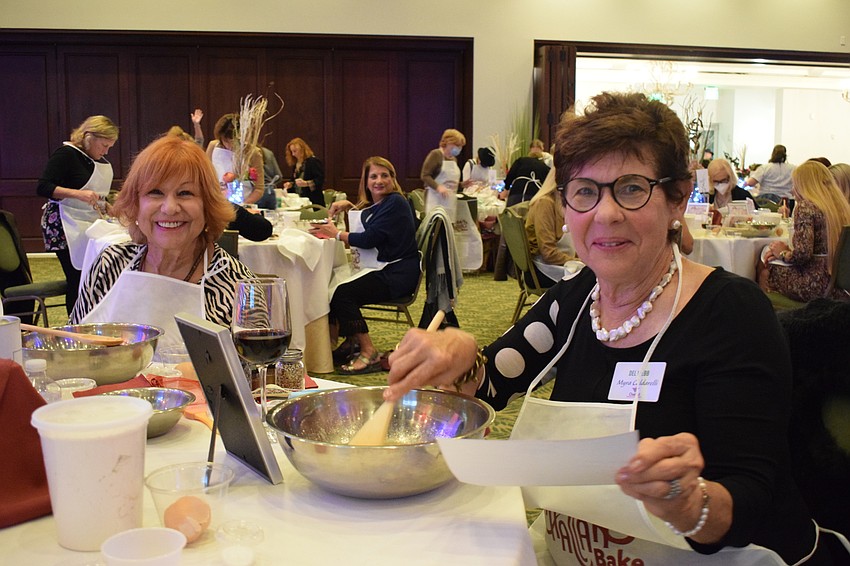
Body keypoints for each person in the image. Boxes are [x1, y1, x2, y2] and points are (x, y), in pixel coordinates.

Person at [386, 92, 833, 564]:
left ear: (677, 198)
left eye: (632, 188)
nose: (605, 213)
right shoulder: (577, 300)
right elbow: (490, 384)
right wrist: (459, 358)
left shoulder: (732, 315)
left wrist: (688, 501)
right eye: (584, 191)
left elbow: (748, 503)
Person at [71, 135, 256, 352]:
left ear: (207, 206)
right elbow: (73, 347)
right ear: (135, 203)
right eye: (155, 192)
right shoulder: (109, 264)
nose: (169, 208)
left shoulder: (238, 287)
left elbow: (259, 377)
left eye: (185, 193)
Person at [311, 157, 419, 374]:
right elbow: (372, 220)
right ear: (366, 182)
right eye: (374, 176)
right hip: (387, 267)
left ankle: (368, 351)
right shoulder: (383, 203)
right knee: (332, 280)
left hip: (398, 273)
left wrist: (336, 234)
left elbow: (370, 238)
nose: (379, 181)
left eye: (384, 175)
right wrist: (350, 206)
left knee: (343, 292)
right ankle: (353, 341)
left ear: (393, 179)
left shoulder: (396, 202)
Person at [36, 115, 119, 316]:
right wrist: (78, 194)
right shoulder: (66, 154)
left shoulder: (98, 160)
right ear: (88, 136)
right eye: (104, 145)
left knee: (90, 276)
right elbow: (43, 187)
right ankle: (76, 323)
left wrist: (106, 206)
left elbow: (95, 194)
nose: (106, 151)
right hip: (63, 224)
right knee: (77, 277)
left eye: (110, 146)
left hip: (86, 222)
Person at [758, 160, 850, 302]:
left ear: (804, 185)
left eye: (794, 184)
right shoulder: (840, 207)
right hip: (837, 285)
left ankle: (767, 318)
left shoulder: (805, 207)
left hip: (813, 284)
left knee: (764, 267)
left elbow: (802, 255)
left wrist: (781, 253)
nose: (792, 190)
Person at [524, 170, 577, 287]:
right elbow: (548, 253)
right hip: (543, 269)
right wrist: (578, 262)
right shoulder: (544, 204)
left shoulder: (563, 202)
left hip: (561, 261)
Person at [205, 113, 264, 205]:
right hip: (218, 203)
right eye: (226, 141)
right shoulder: (213, 146)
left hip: (243, 204)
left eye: (233, 141)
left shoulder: (253, 153)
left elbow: (259, 189)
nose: (230, 145)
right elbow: (205, 177)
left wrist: (243, 205)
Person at [420, 128, 466, 218]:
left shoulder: (454, 159)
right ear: (448, 142)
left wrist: (462, 184)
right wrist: (438, 187)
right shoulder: (436, 154)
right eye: (456, 145)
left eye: (460, 147)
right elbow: (425, 175)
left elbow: (451, 183)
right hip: (435, 200)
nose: (458, 149)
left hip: (450, 202)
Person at [503, 141, 551, 207]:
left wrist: (506, 189)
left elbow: (510, 175)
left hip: (516, 192)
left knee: (512, 215)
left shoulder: (521, 161)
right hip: (534, 196)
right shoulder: (544, 167)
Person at [282, 138, 324, 206]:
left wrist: (306, 183)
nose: (293, 154)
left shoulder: (313, 161)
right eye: (291, 152)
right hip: (299, 200)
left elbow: (320, 180)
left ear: (302, 150)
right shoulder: (296, 164)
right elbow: (294, 181)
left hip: (313, 200)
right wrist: (290, 184)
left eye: (295, 151)